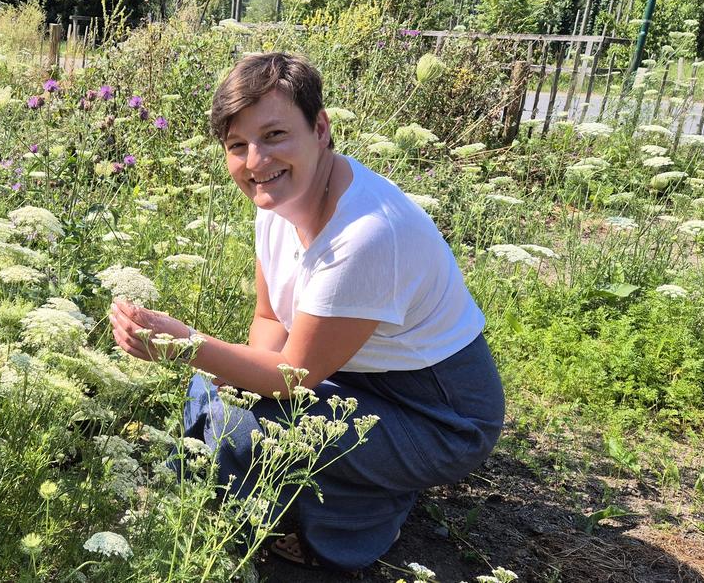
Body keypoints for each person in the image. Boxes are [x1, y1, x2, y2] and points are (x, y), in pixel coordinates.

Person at [108, 52, 504, 573]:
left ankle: (347, 520)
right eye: (237, 145)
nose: (255, 161)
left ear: (321, 128)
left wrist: (189, 346)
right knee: (216, 389)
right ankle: (237, 495)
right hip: (356, 378)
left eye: (274, 135)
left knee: (239, 421)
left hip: (440, 417)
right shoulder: (277, 202)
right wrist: (233, 377)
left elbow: (291, 380)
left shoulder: (364, 235)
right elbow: (271, 320)